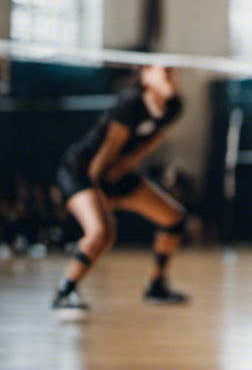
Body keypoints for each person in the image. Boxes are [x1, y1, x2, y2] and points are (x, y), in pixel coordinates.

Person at [51, 65, 190, 313]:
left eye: (173, 70)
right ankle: (64, 291)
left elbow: (149, 143)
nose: (170, 73)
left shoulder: (174, 106)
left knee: (174, 219)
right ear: (145, 75)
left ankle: (156, 286)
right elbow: (103, 157)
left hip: (116, 172)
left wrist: (125, 169)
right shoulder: (131, 102)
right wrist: (101, 197)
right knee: (101, 232)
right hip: (82, 170)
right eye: (164, 70)